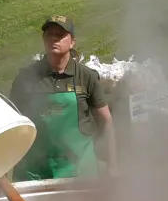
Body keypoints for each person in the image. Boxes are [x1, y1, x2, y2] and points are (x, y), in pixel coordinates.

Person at [9, 15, 117, 179]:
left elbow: (106, 120)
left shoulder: (85, 76)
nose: (53, 38)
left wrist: (112, 164)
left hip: (80, 172)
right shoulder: (27, 77)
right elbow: (10, 122)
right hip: (35, 173)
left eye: (59, 35)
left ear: (72, 42)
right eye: (49, 34)